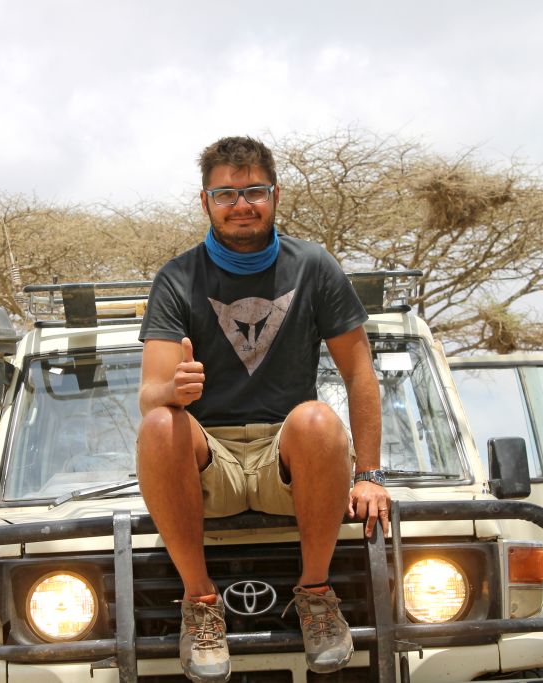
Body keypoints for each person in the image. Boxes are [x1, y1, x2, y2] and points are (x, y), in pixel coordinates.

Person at [137, 136, 388, 682]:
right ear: (205, 202)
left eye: (253, 190)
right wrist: (174, 389)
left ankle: (316, 595)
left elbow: (359, 373)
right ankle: (201, 604)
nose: (241, 204)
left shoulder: (315, 266)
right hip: (212, 463)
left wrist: (369, 475)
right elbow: (149, 394)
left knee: (317, 418)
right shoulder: (177, 278)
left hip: (289, 459)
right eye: (225, 194)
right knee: (159, 424)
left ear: (275, 194)